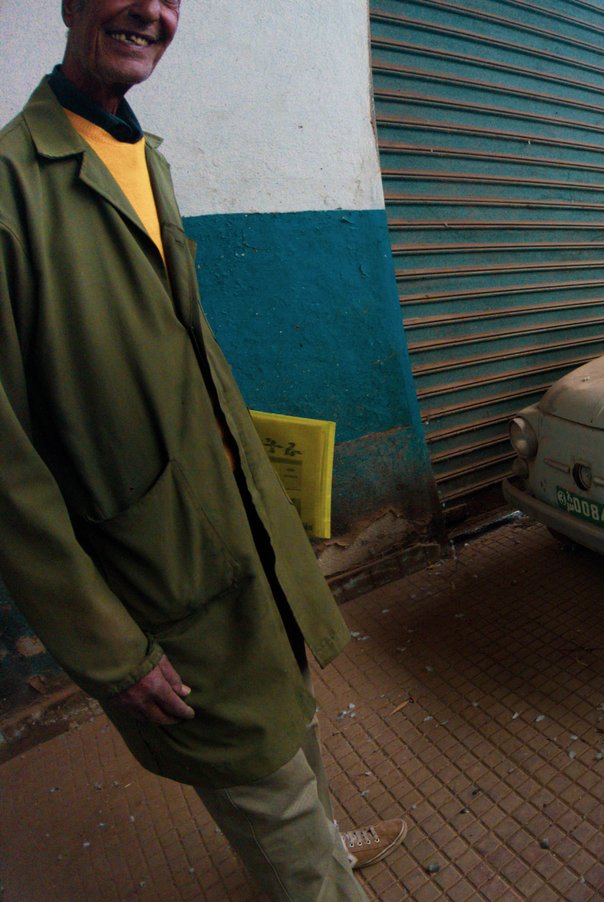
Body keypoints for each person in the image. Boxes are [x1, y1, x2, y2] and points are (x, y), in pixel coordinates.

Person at [0, 1, 406, 897]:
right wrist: (110, 650)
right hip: (159, 578)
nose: (151, 9)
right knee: (258, 779)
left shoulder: (145, 159)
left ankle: (323, 844)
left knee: (290, 712)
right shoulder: (9, 189)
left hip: (241, 536)